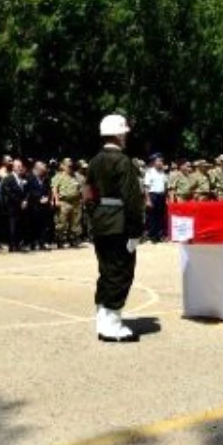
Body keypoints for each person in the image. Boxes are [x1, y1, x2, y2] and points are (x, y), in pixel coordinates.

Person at [84, 114, 145, 343]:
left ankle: (104, 318)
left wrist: (96, 217)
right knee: (120, 273)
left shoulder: (94, 161)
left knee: (106, 271)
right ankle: (112, 325)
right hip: (119, 225)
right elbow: (132, 199)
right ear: (119, 134)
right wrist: (135, 231)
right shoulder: (122, 161)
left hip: (101, 222)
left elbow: (88, 195)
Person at [52, 158, 84, 248]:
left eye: (71, 165)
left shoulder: (76, 176)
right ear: (62, 166)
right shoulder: (58, 176)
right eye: (68, 165)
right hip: (64, 202)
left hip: (75, 202)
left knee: (75, 223)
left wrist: (82, 198)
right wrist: (56, 200)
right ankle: (60, 240)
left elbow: (80, 188)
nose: (70, 167)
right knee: (62, 223)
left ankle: (73, 239)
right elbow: (54, 189)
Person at [143, 154, 168, 242]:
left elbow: (165, 185)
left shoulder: (162, 172)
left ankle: (159, 235)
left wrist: (166, 197)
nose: (161, 163)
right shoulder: (149, 172)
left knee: (160, 216)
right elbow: (146, 187)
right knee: (152, 216)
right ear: (154, 162)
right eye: (159, 161)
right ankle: (152, 235)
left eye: (162, 161)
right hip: (152, 195)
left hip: (161, 195)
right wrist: (148, 199)